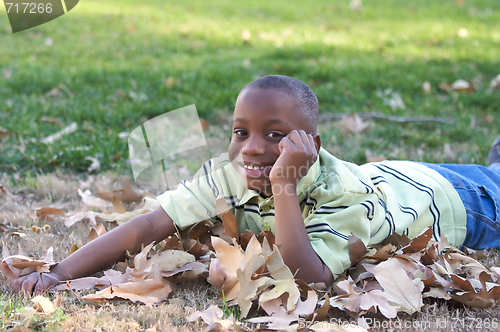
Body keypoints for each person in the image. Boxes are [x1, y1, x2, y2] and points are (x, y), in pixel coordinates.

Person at [13, 75, 500, 295]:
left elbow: (310, 277)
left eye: (274, 135)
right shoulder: (232, 173)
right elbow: (149, 223)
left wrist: (284, 187)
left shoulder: (340, 196)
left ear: (311, 143)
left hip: (458, 202)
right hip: (403, 175)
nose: (251, 148)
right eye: (240, 132)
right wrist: (58, 274)